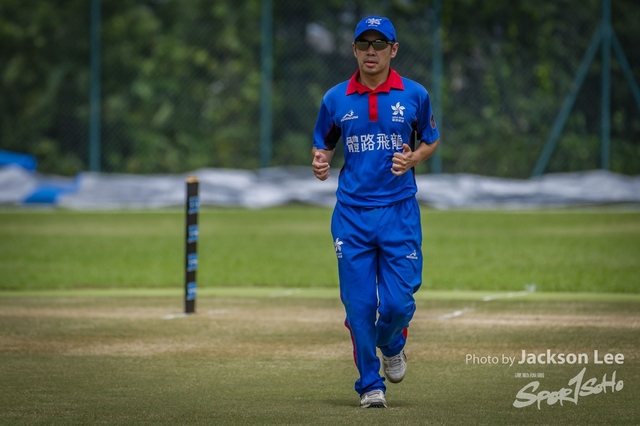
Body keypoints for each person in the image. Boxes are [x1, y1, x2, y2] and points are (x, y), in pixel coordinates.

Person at [311, 16, 440, 409]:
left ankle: (392, 343)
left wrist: (414, 158)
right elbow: (324, 143)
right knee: (360, 307)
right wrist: (320, 161)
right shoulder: (335, 98)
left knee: (399, 305)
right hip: (352, 216)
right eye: (364, 44)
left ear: (393, 50)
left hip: (399, 212)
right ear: (354, 49)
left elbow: (430, 139)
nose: (371, 51)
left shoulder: (414, 94)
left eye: (379, 44)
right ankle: (370, 384)